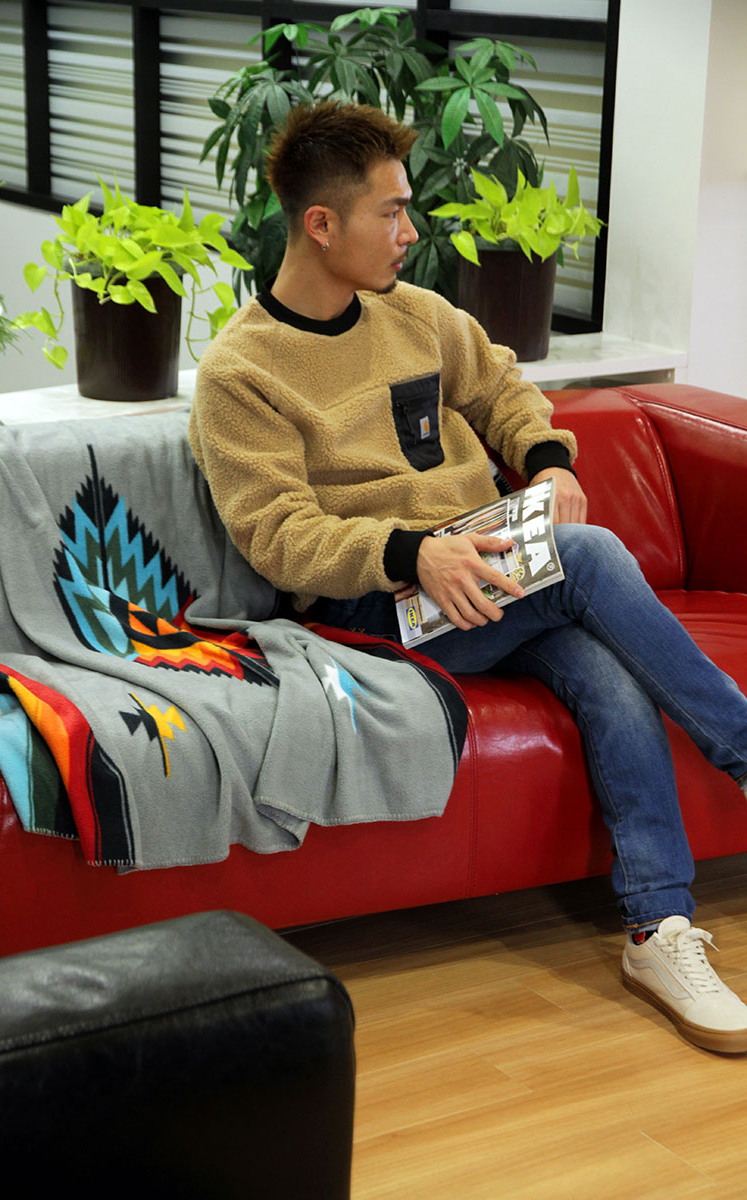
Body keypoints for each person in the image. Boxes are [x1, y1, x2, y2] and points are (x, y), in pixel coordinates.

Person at [189, 100, 747, 1053]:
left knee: (602, 669)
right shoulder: (241, 374)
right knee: (588, 557)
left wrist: (552, 463)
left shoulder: (417, 316)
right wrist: (412, 553)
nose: (410, 231)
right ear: (321, 224)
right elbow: (278, 535)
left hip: (480, 574)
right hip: (373, 609)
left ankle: (657, 929)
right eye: (391, 212)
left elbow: (502, 389)